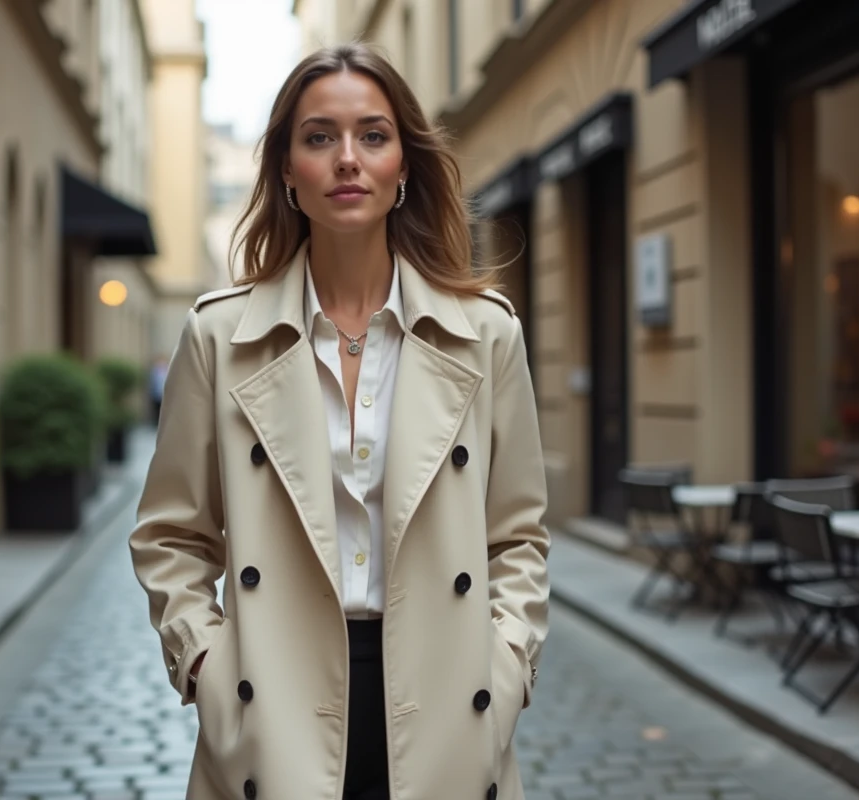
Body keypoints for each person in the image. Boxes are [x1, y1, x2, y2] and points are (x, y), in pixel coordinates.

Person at [129, 42, 550, 800]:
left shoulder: (487, 335)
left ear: (405, 167)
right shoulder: (219, 338)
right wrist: (207, 666)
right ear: (288, 171)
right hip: (273, 709)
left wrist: (508, 666)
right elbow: (171, 536)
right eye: (319, 137)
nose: (348, 158)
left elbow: (517, 536)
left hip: (449, 707)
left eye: (373, 135)